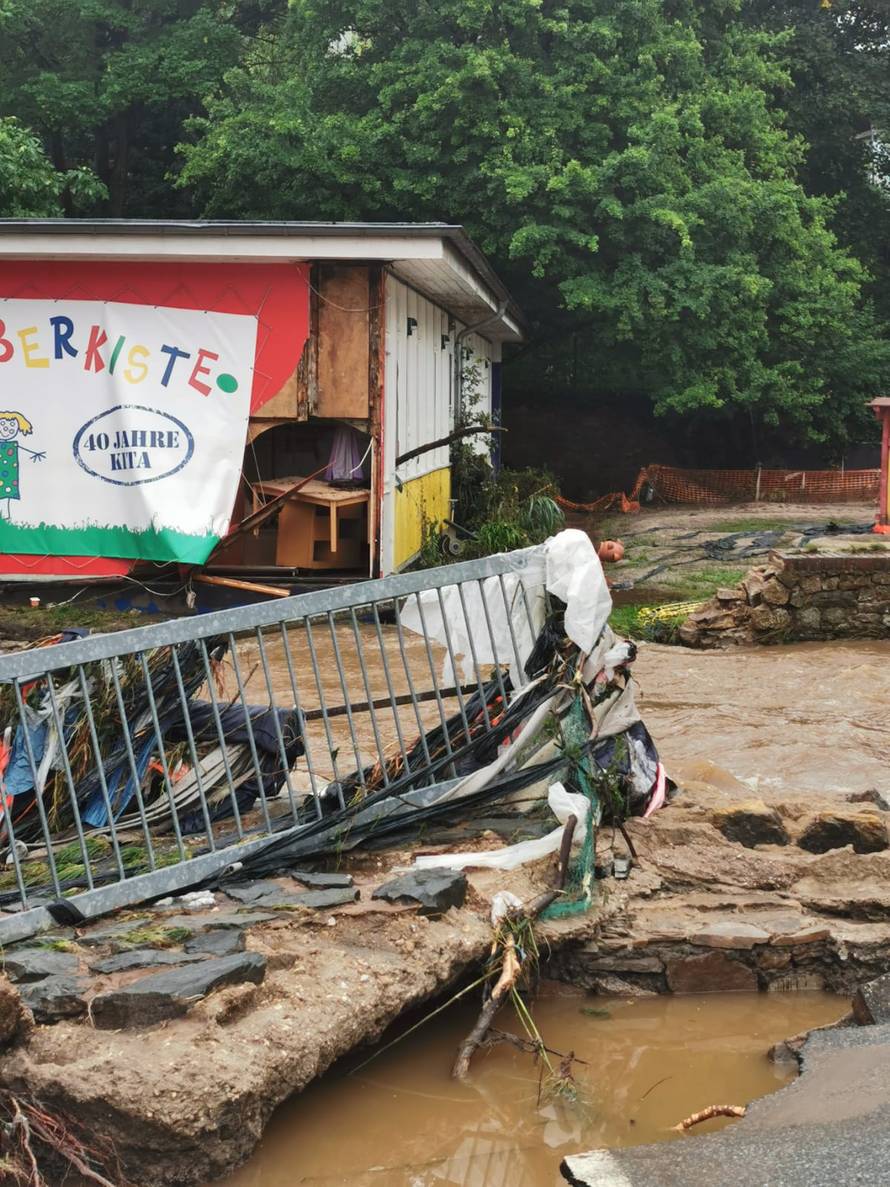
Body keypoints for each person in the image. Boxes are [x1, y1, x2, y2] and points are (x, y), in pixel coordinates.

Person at [0, 412, 46, 520]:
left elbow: (23, 449)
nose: (6, 430)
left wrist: (35, 453)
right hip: (6, 473)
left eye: (12, 427)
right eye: (3, 425)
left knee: (6, 495)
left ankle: (6, 516)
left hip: (8, 474)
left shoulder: (13, 445)